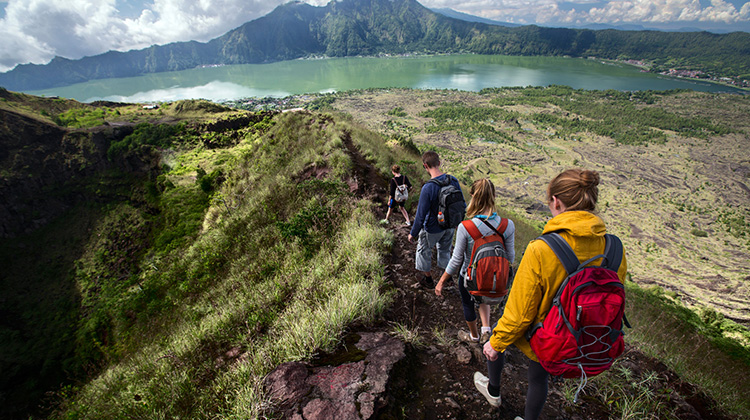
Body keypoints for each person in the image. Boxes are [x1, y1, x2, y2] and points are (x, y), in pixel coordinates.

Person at [475, 169, 628, 420]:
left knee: (507, 342)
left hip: (546, 339)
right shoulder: (615, 249)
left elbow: (519, 314)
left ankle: (493, 391)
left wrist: (496, 343)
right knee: (539, 378)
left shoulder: (542, 249)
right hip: (586, 342)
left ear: (556, 201)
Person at [434, 178, 515, 345]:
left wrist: (441, 281)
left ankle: (474, 336)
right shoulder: (508, 226)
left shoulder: (466, 226)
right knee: (484, 295)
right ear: (494, 196)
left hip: (469, 278)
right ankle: (487, 330)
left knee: (468, 304)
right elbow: (511, 258)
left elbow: (456, 260)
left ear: (472, 196)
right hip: (494, 279)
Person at [408, 151, 464, 288]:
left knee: (423, 250)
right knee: (445, 250)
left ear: (425, 166)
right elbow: (461, 204)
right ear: (439, 163)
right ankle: (448, 279)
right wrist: (458, 222)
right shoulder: (453, 181)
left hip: (433, 228)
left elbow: (421, 215)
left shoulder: (428, 188)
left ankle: (428, 280)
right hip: (450, 226)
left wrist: (413, 233)